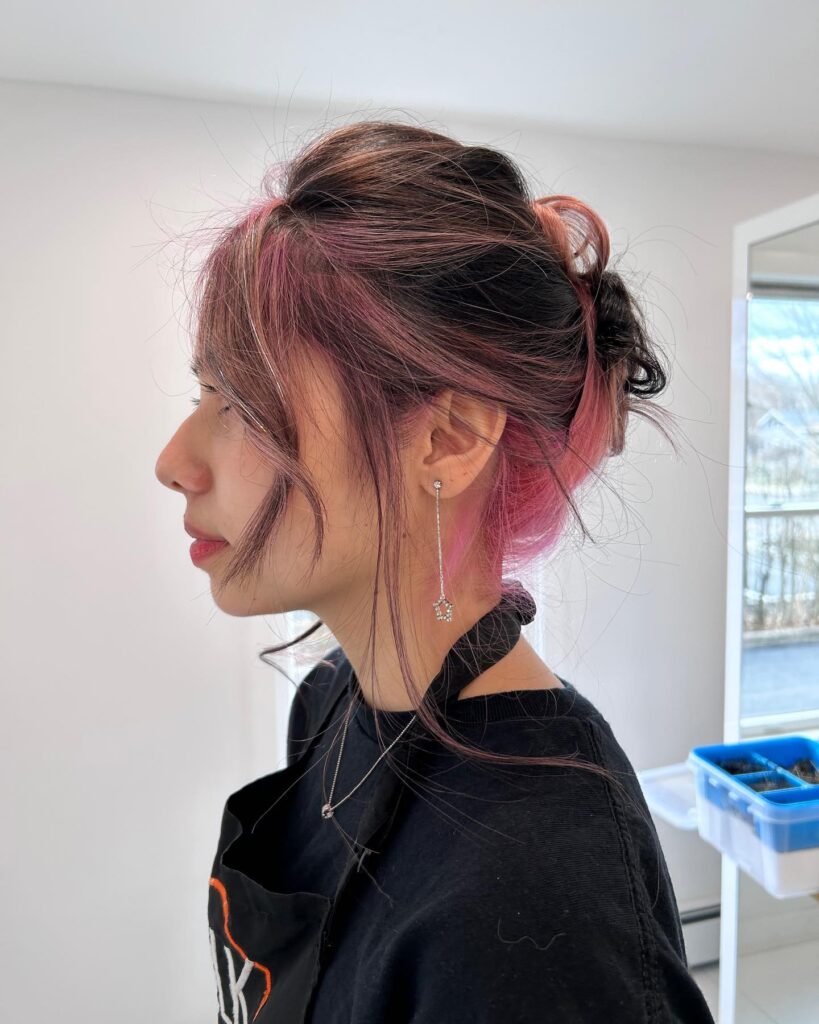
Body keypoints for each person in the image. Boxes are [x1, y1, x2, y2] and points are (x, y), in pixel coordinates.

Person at [155, 119, 716, 1023]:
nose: (175, 459)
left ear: (449, 439)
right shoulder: (331, 698)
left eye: (244, 400)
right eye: (204, 393)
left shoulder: (537, 886)